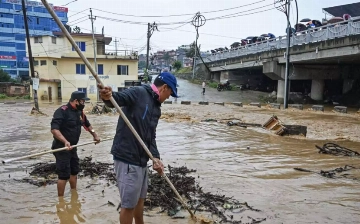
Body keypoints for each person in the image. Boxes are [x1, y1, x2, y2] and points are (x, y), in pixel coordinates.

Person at [98, 72, 178, 224]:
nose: (169, 97)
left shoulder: (156, 108)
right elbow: (116, 100)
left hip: (142, 161)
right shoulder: (139, 92)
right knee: (128, 206)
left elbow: (151, 136)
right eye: (170, 93)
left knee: (140, 201)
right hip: (127, 158)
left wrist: (156, 158)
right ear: (165, 88)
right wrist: (107, 96)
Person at [51, 91, 100, 197]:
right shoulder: (62, 111)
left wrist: (95, 135)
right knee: (63, 175)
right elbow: (54, 130)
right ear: (75, 101)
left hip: (73, 147)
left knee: (74, 171)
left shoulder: (80, 113)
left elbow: (88, 125)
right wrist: (65, 141)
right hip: (61, 148)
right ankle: (61, 200)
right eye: (82, 101)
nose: (84, 104)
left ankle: (74, 193)